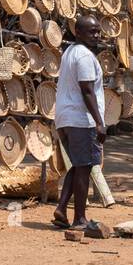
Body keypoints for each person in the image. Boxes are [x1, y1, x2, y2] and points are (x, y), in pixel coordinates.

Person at [53, 14, 107, 230]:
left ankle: (61, 208)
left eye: (97, 31)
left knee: (78, 165)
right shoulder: (84, 56)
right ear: (78, 32)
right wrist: (99, 122)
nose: (96, 35)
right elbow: (87, 90)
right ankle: (80, 219)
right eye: (91, 31)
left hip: (66, 117)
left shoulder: (70, 52)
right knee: (84, 167)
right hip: (80, 119)